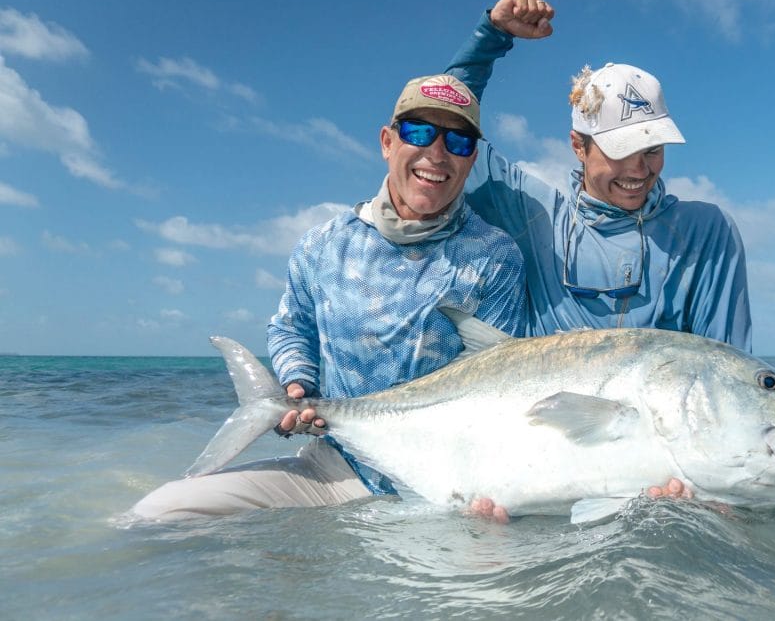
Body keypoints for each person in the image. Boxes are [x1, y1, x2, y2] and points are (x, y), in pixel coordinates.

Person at [129, 73, 527, 521]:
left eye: (458, 141)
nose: (437, 152)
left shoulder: (495, 256)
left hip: (441, 484)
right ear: (387, 142)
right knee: (157, 514)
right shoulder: (324, 244)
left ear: (471, 159)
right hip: (333, 467)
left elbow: (497, 379)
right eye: (420, 131)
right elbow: (291, 326)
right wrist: (298, 384)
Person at [445, 0, 751, 502]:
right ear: (578, 146)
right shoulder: (533, 212)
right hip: (546, 469)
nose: (639, 170)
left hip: (660, 478)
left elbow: (724, 372)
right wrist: (490, 37)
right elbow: (446, 119)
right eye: (621, 150)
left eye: (653, 150)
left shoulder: (705, 231)